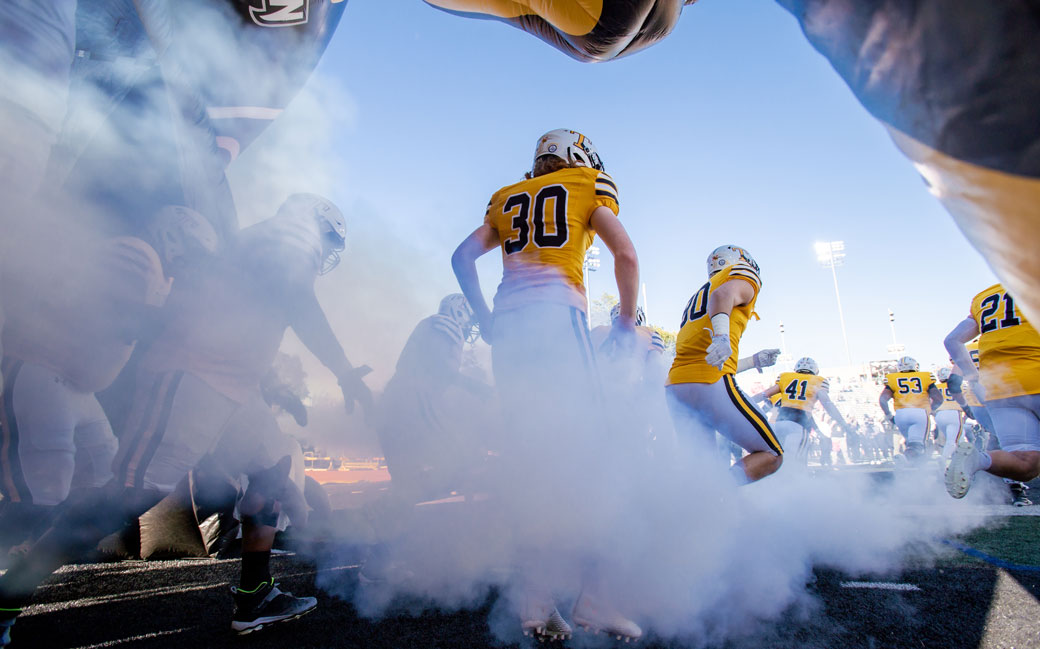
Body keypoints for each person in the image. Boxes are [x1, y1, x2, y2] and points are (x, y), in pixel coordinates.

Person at [0, 195, 372, 644]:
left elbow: (248, 324)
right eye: (329, 238)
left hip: (231, 387)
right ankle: (7, 596)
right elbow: (292, 300)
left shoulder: (260, 247)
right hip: (192, 378)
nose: (326, 250)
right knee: (126, 498)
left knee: (273, 472)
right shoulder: (284, 240)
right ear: (314, 225)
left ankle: (254, 596)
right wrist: (344, 369)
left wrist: (274, 388)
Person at [452, 129, 642, 641]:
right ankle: (597, 597)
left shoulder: (506, 196)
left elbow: (461, 258)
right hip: (557, 320)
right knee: (599, 456)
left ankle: (537, 601)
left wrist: (486, 317)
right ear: (576, 156)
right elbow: (625, 255)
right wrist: (625, 324)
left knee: (533, 462)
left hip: (511, 329)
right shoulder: (585, 183)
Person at [0, 206, 216, 556]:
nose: (193, 263)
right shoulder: (134, 252)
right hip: (42, 371)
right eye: (193, 251)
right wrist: (183, 330)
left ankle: (46, 555)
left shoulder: (161, 273)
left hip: (75, 384)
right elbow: (122, 315)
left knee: (104, 471)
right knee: (43, 491)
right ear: (173, 237)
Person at [666, 245, 783, 485]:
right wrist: (721, 336)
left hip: (677, 386)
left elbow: (709, 357)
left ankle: (697, 514)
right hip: (708, 383)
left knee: (702, 471)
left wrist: (753, 361)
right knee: (772, 455)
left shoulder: (699, 294)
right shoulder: (740, 274)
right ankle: (719, 497)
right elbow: (722, 296)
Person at [943, 284, 1040, 500]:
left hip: (1000, 388)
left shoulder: (984, 297)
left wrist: (973, 377)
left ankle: (979, 460)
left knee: (1026, 463)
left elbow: (952, 340)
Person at [752, 357, 852, 468]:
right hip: (798, 425)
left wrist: (745, 402)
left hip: (779, 423)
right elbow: (828, 404)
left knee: (777, 461)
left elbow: (764, 394)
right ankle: (797, 483)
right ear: (815, 370)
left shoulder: (785, 377)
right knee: (796, 464)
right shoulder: (818, 381)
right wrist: (843, 423)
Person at [878, 356, 942, 463]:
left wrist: (889, 415)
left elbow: (883, 400)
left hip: (900, 414)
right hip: (919, 412)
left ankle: (914, 470)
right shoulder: (925, 376)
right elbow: (938, 398)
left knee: (911, 444)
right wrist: (931, 409)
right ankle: (903, 460)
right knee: (917, 445)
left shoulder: (892, 378)